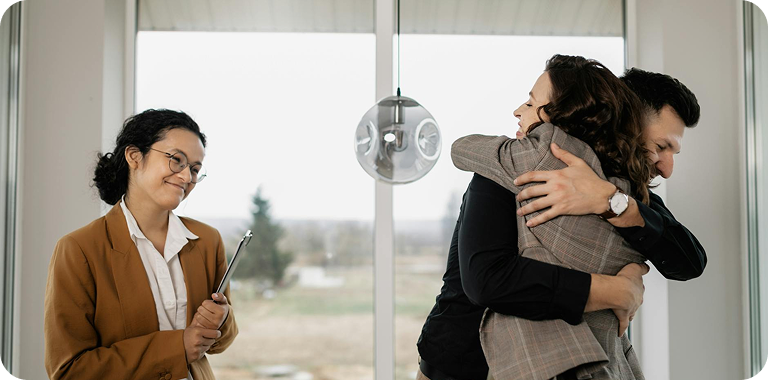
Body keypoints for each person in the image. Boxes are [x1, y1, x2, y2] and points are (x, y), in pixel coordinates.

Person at [416, 58, 705, 380]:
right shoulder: (515, 167)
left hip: (570, 364)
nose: (667, 168)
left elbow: (689, 262)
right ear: (626, 119)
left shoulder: (626, 195)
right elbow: (487, 279)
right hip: (464, 363)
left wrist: (609, 201)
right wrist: (616, 291)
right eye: (661, 147)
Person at [44, 109, 238, 380]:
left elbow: (222, 341)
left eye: (195, 169)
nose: (186, 177)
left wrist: (221, 319)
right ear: (135, 156)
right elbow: (69, 371)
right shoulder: (79, 250)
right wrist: (177, 347)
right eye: (176, 160)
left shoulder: (207, 240)